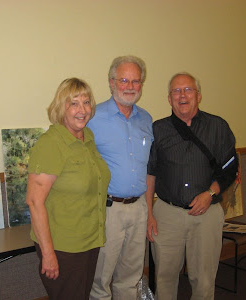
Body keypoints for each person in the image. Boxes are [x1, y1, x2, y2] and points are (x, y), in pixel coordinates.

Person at [146, 72, 238, 300]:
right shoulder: (158, 129)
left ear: (199, 96)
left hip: (207, 214)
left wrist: (210, 193)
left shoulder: (218, 127)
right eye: (176, 91)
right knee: (164, 277)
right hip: (166, 214)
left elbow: (230, 169)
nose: (182, 95)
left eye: (188, 90)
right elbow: (150, 174)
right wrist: (149, 213)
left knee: (204, 278)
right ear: (169, 99)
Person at [26, 78, 111, 300]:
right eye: (74, 103)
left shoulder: (88, 138)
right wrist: (48, 254)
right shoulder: (51, 144)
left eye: (86, 102)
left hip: (89, 241)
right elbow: (35, 202)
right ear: (61, 107)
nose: (82, 110)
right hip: (63, 247)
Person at [88, 55, 153, 300]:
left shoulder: (146, 119)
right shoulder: (93, 117)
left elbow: (148, 168)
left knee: (131, 278)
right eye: (124, 80)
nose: (130, 86)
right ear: (111, 82)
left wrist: (149, 210)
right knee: (100, 279)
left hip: (139, 208)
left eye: (136, 81)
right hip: (107, 209)